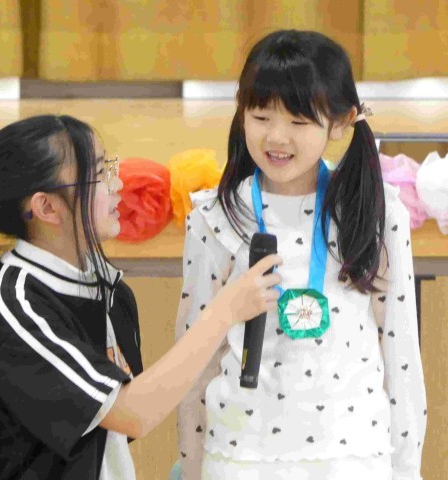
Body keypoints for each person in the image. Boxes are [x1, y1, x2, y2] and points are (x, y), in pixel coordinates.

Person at [0, 114, 282, 479]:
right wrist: (224, 311)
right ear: (46, 207)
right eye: (100, 174)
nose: (117, 184)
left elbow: (119, 427)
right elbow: (133, 414)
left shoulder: (110, 291)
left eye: (110, 167)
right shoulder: (17, 308)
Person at [176, 30, 427, 479]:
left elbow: (401, 354)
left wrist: (406, 470)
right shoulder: (215, 218)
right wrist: (192, 467)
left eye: (298, 121)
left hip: (353, 460)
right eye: (261, 116)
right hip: (241, 459)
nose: (277, 137)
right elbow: (195, 360)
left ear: (341, 122)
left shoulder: (376, 213)